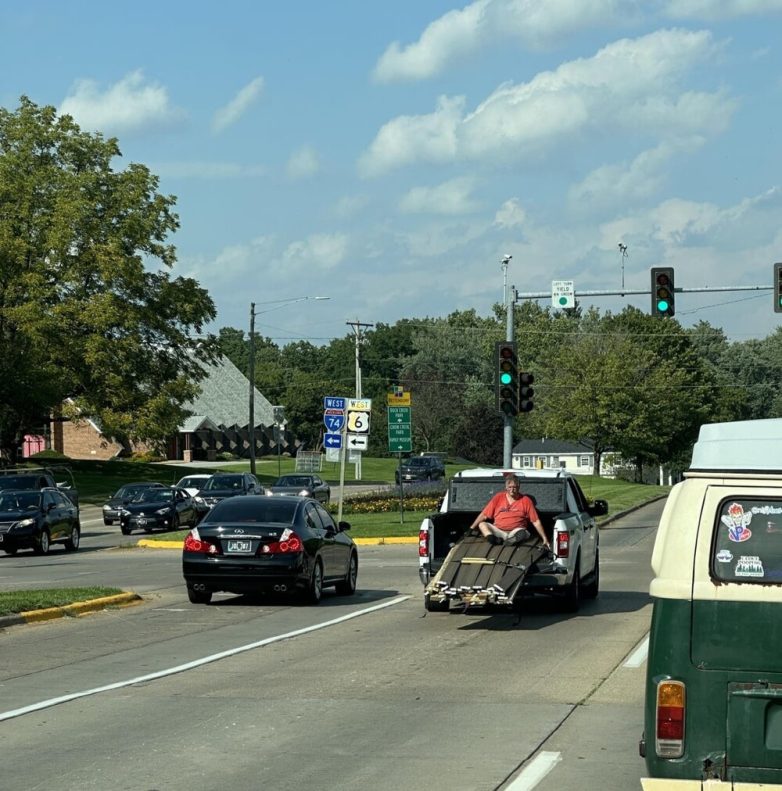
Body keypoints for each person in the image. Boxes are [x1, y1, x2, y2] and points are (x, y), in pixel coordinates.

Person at [468, 473, 551, 548]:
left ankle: (510, 541)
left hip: (515, 532)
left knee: (524, 533)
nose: (512, 490)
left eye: (514, 487)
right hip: (499, 531)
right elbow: (484, 515)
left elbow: (535, 521)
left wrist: (544, 538)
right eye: (510, 487)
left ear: (518, 487)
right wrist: (471, 528)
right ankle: (493, 539)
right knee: (482, 524)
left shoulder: (526, 500)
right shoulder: (498, 497)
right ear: (506, 487)